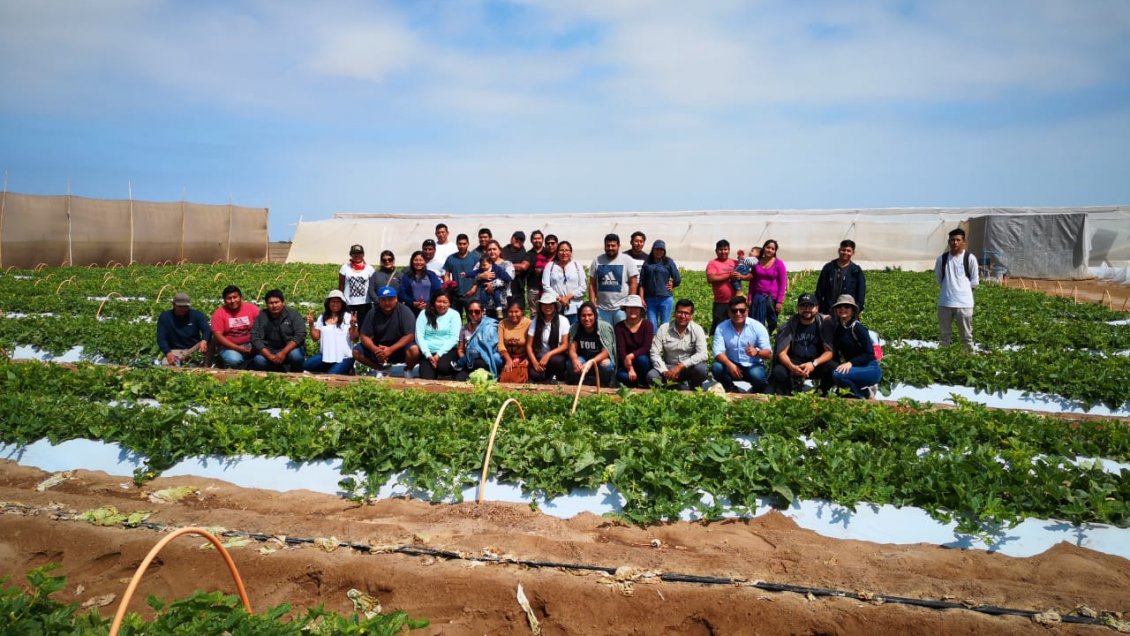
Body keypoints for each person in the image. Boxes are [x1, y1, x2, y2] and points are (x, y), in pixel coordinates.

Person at [770, 293, 835, 396]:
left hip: (815, 364)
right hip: (795, 363)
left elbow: (829, 352)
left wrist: (813, 364)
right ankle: (789, 392)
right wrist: (792, 367)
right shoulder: (790, 324)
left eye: (810, 306)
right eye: (803, 306)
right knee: (779, 371)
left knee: (832, 366)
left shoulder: (823, 324)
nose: (807, 309)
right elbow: (782, 352)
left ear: (817, 308)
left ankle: (822, 393)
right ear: (798, 308)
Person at [711, 295, 771, 394]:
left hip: (753, 365)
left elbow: (768, 353)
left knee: (757, 375)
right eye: (734, 311)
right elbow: (717, 352)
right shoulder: (722, 328)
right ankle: (730, 388)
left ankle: (757, 391)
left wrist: (757, 352)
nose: (738, 313)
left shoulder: (757, 327)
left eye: (742, 310)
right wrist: (729, 364)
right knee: (717, 367)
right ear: (729, 312)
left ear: (747, 311)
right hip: (732, 363)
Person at [353, 285, 420, 375]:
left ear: (396, 299)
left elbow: (410, 335)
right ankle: (380, 369)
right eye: (383, 300)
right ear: (379, 301)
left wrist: (390, 349)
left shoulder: (404, 311)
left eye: (390, 299)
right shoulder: (373, 312)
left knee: (414, 350)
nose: (387, 303)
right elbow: (364, 335)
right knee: (356, 351)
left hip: (399, 348)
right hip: (379, 347)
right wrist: (375, 349)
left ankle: (408, 370)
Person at [647, 299, 709, 390]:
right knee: (651, 376)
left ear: (691, 315)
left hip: (688, 367)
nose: (682, 316)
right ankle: (677, 387)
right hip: (669, 367)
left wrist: (681, 366)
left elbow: (703, 354)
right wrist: (664, 371)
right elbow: (654, 352)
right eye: (679, 312)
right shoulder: (664, 328)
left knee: (701, 369)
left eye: (686, 313)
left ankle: (695, 387)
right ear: (674, 313)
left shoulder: (697, 329)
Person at [935, 228, 979, 351]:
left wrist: (963, 295)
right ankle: (943, 358)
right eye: (952, 240)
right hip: (945, 303)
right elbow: (939, 279)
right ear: (949, 242)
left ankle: (969, 359)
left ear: (964, 241)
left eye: (958, 240)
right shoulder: (942, 259)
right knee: (944, 336)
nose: (955, 242)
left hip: (964, 304)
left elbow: (974, 282)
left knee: (966, 337)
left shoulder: (970, 258)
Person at [830, 294, 882, 399]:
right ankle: (865, 393)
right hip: (855, 369)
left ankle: (860, 395)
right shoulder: (838, 330)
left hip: (870, 368)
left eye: (847, 306)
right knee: (836, 375)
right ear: (836, 310)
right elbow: (835, 353)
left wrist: (850, 363)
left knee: (837, 374)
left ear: (853, 310)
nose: (842, 309)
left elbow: (869, 354)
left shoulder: (858, 328)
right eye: (839, 307)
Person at [589, 233, 639, 326]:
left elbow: (633, 282)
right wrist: (592, 303)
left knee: (621, 334)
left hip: (621, 309)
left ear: (619, 246)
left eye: (613, 245)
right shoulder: (597, 260)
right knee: (604, 336)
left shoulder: (627, 260)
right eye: (608, 245)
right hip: (602, 309)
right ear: (604, 246)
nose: (610, 248)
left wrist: (629, 303)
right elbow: (592, 283)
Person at [250, 289, 306, 372]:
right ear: (266, 304)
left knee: (296, 356)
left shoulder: (292, 314)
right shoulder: (262, 316)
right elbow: (254, 337)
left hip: (288, 350)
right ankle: (271, 375)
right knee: (259, 360)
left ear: (283, 303)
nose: (274, 305)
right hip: (269, 350)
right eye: (271, 303)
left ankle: (296, 374)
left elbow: (300, 334)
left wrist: (283, 353)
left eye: (277, 302)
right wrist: (269, 355)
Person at [303, 290, 357, 375]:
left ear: (342, 304)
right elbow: (315, 338)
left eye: (338, 302)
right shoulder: (322, 317)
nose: (335, 304)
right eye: (333, 301)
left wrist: (353, 326)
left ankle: (346, 368)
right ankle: (330, 367)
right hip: (325, 356)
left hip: (344, 357)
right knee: (305, 366)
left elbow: (354, 338)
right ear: (328, 303)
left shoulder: (348, 317)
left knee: (330, 375)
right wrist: (311, 325)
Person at [415, 290, 462, 381]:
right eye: (439, 301)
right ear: (434, 301)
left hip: (446, 350)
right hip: (428, 352)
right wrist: (428, 355)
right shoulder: (424, 313)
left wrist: (438, 355)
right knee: (426, 377)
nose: (441, 305)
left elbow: (454, 338)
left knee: (443, 367)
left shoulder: (454, 314)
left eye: (445, 302)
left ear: (449, 303)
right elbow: (419, 336)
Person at [567, 302, 616, 386]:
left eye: (590, 315)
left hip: (598, 360)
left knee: (606, 365)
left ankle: (603, 384)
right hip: (583, 360)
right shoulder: (575, 328)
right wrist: (575, 360)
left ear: (595, 315)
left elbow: (606, 352)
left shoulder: (604, 327)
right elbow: (572, 349)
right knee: (571, 363)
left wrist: (591, 362)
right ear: (579, 316)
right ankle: (581, 382)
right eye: (583, 315)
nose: (586, 318)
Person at [156, 292, 211, 366]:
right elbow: (161, 339)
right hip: (176, 350)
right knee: (166, 364)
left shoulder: (197, 315)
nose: (183, 309)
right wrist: (168, 352)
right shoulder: (165, 317)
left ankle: (206, 364)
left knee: (212, 338)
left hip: (194, 348)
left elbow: (207, 330)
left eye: (185, 306)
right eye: (180, 306)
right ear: (173, 304)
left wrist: (204, 340)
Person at [210, 285, 259, 369]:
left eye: (235, 297)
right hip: (229, 347)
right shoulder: (219, 313)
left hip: (251, 343)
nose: (232, 301)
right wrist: (238, 348)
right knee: (234, 359)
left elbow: (261, 326)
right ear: (224, 300)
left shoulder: (252, 308)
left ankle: (248, 364)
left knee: (261, 358)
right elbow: (218, 336)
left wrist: (256, 344)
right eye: (229, 298)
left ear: (241, 297)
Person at [526, 292, 570, 383]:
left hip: (555, 356)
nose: (547, 307)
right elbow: (529, 346)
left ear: (555, 306)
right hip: (539, 357)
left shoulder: (563, 320)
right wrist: (534, 362)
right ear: (541, 306)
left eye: (550, 304)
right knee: (535, 374)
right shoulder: (535, 321)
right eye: (545, 305)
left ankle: (558, 378)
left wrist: (548, 355)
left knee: (557, 361)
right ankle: (546, 378)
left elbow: (565, 345)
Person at [705, 239, 746, 336]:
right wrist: (729, 276)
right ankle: (714, 344)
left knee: (735, 325)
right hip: (720, 302)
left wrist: (741, 276)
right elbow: (711, 278)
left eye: (725, 249)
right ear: (716, 251)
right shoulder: (712, 263)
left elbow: (748, 274)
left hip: (735, 302)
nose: (723, 251)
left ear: (729, 250)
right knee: (718, 326)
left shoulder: (735, 263)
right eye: (720, 249)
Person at [815, 240, 866, 316]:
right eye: (843, 250)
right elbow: (819, 290)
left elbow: (861, 293)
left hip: (847, 313)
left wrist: (855, 311)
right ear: (839, 250)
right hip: (828, 311)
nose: (845, 253)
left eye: (848, 251)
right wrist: (818, 307)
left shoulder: (856, 271)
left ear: (853, 253)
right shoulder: (829, 268)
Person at [541, 240, 587, 325]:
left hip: (575, 306)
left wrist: (568, 297)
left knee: (574, 331)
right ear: (557, 252)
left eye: (567, 250)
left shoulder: (577, 265)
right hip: (556, 306)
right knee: (558, 331)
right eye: (561, 250)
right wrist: (560, 298)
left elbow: (583, 286)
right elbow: (546, 286)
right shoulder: (550, 266)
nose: (564, 253)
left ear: (571, 252)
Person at [614, 295, 654, 388]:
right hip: (626, 363)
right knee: (621, 376)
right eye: (629, 308)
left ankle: (644, 384)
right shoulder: (619, 327)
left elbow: (646, 347)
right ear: (625, 309)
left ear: (641, 310)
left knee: (642, 359)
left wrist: (630, 356)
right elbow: (621, 349)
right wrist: (630, 368)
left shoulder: (647, 325)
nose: (633, 310)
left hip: (643, 362)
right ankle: (634, 384)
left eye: (636, 308)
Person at [639, 239, 681, 329]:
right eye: (657, 249)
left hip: (665, 299)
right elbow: (642, 282)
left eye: (661, 249)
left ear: (664, 251)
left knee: (664, 326)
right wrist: (642, 298)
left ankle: (664, 343)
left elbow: (677, 278)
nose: (659, 251)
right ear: (652, 250)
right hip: (650, 300)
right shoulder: (647, 263)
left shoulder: (668, 262)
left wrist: (673, 284)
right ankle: (653, 343)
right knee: (652, 325)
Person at [748, 239, 788, 333]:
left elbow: (783, 284)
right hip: (757, 297)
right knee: (756, 323)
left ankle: (772, 340)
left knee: (772, 322)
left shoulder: (779, 264)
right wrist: (749, 297)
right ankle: (758, 343)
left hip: (771, 299)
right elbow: (752, 281)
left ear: (775, 251)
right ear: (764, 248)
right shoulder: (756, 262)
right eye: (768, 247)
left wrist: (779, 301)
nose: (770, 250)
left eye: (772, 249)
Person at [456, 300, 502, 378]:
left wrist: (481, 353)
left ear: (482, 312)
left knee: (486, 362)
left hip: (488, 358)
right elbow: (460, 350)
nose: (473, 314)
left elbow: (494, 345)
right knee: (459, 378)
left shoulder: (490, 325)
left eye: (477, 312)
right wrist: (467, 359)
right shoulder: (464, 329)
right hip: (470, 361)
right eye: (471, 312)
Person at [443, 233, 479, 317]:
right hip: (456, 295)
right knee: (455, 318)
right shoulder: (451, 258)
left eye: (464, 244)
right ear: (456, 244)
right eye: (460, 244)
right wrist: (447, 286)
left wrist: (474, 289)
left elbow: (479, 274)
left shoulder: (474, 257)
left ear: (468, 244)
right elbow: (447, 274)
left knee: (472, 318)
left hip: (471, 295)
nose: (462, 246)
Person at [399, 250, 443, 316]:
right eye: (416, 260)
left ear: (425, 261)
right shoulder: (407, 276)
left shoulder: (431, 275)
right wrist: (412, 302)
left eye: (421, 260)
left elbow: (438, 290)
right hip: (412, 310)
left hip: (430, 309)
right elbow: (402, 293)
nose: (418, 262)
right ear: (412, 261)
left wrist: (428, 303)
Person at [338, 244, 374, 324]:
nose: (357, 255)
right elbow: (341, 287)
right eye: (354, 253)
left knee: (364, 327)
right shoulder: (345, 268)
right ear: (351, 254)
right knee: (349, 327)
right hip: (349, 304)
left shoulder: (369, 268)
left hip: (365, 303)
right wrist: (341, 301)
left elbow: (372, 287)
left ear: (363, 254)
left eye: (359, 253)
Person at [497, 299, 532, 379]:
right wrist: (508, 360)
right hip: (506, 356)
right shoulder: (502, 323)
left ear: (522, 312)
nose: (513, 314)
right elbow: (501, 344)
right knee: (496, 359)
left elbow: (533, 345)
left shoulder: (529, 323)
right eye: (510, 312)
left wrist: (528, 358)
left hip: (524, 357)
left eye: (516, 311)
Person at [501, 231, 530, 309]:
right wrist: (515, 268)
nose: (518, 240)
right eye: (516, 238)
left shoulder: (525, 254)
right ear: (511, 238)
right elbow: (497, 264)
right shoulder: (501, 251)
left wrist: (505, 266)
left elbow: (523, 267)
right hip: (502, 291)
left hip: (518, 292)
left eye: (521, 239)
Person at [525, 230, 550, 310]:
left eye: (539, 238)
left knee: (547, 309)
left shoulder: (548, 253)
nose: (537, 240)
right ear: (531, 240)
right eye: (535, 238)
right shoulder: (528, 254)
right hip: (533, 287)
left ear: (542, 240)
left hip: (547, 287)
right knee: (534, 311)